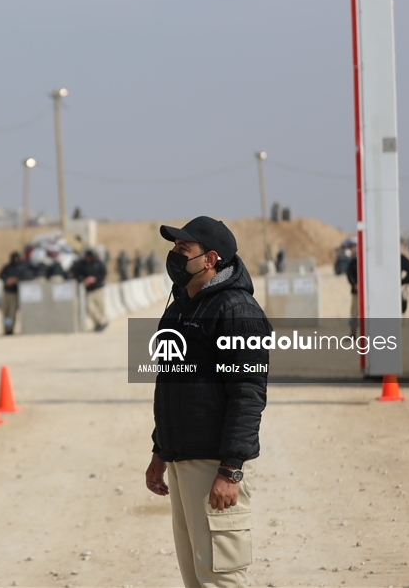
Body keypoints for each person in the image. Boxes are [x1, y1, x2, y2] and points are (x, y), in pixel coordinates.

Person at [146, 216, 269, 588]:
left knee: (221, 578)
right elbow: (171, 387)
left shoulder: (237, 310)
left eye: (184, 250)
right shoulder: (180, 308)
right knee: (196, 578)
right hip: (182, 461)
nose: (175, 256)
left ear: (210, 259)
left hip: (214, 464)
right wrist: (159, 452)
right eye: (174, 248)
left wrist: (231, 469)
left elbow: (248, 395)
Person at [346, 245, 409, 322]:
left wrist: (400, 282)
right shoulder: (373, 258)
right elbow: (351, 270)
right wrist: (355, 283)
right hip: (374, 293)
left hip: (383, 294)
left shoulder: (394, 258)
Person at [71, 249, 108, 332]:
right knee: (89, 307)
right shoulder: (81, 264)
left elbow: (103, 273)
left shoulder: (98, 263)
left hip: (99, 288)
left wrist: (95, 279)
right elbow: (76, 274)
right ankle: (100, 322)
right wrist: (84, 280)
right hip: (89, 290)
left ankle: (100, 323)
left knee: (100, 307)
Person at [0, 251, 29, 335]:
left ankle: (11, 328)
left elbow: (25, 276)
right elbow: (1, 275)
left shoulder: (22, 267)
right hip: (6, 293)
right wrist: (7, 280)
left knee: (12, 313)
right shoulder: (8, 267)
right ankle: (7, 328)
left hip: (15, 294)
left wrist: (15, 280)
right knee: (6, 313)